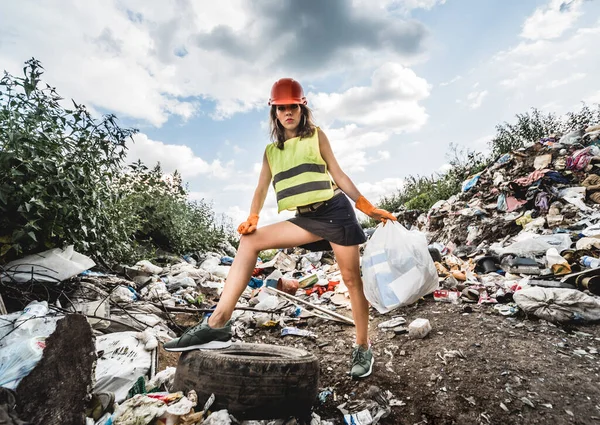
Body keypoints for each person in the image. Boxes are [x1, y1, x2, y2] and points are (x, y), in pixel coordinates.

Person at [164, 78, 397, 378]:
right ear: (274, 112)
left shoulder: (316, 136)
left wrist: (365, 204)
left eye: (293, 107)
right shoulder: (271, 152)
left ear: (302, 108)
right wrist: (253, 217)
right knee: (249, 242)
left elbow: (338, 173)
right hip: (306, 218)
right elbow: (261, 188)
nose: (288, 112)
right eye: (281, 108)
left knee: (352, 281)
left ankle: (363, 348)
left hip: (336, 212)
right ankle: (217, 324)